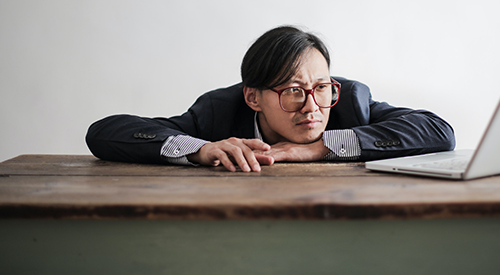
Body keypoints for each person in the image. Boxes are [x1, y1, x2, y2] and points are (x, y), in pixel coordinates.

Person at [86, 26, 455, 172]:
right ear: (253, 97)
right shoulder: (218, 112)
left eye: (321, 87)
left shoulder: (350, 101)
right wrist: (200, 149)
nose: (312, 106)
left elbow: (439, 131)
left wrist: (321, 148)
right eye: (293, 91)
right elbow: (103, 133)